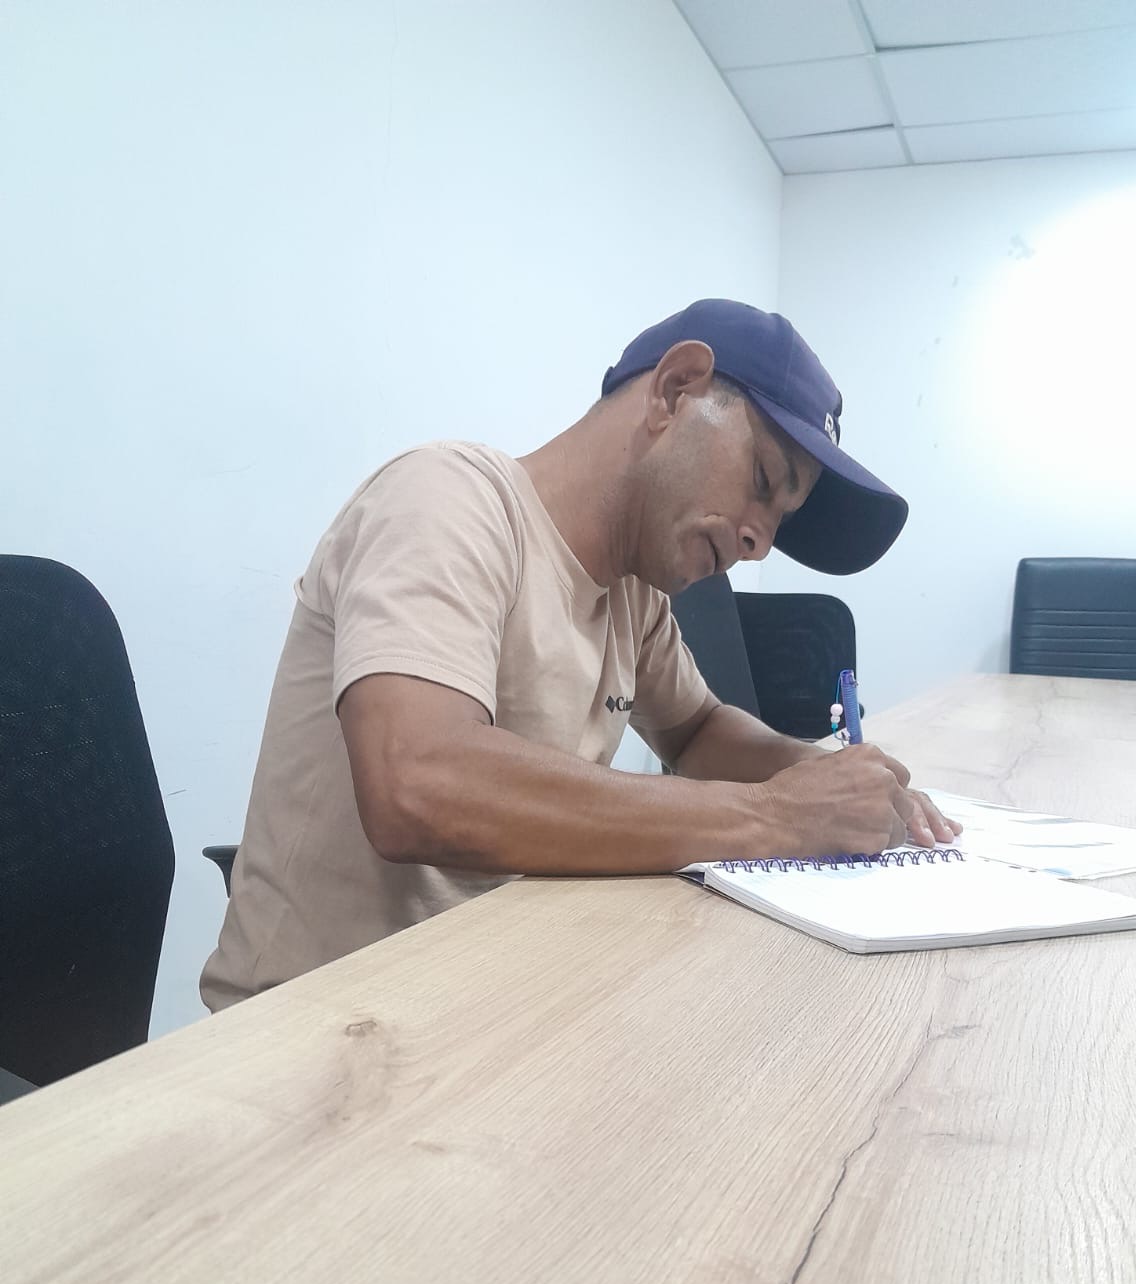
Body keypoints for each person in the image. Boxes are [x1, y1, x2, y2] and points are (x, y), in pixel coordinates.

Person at [201, 299, 958, 1011]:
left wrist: (821, 776)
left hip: (491, 1000)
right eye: (762, 480)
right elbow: (416, 782)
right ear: (675, 389)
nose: (760, 539)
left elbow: (697, 730)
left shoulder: (635, 597)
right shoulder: (446, 500)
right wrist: (774, 818)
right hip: (313, 1024)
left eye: (779, 520)